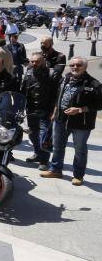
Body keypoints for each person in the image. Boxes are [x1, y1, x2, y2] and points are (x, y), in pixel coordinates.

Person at [41, 57, 102, 186]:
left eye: (78, 65)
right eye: (72, 65)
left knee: (79, 150)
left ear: (85, 67)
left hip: (81, 123)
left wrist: (79, 109)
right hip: (61, 119)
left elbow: (99, 104)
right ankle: (56, 170)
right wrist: (55, 111)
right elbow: (59, 95)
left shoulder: (93, 84)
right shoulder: (66, 78)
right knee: (58, 146)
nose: (75, 67)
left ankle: (78, 175)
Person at [21, 52, 55, 171]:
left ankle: (44, 160)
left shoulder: (51, 74)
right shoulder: (28, 72)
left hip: (45, 111)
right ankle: (37, 153)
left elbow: (57, 94)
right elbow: (23, 89)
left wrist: (53, 110)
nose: (34, 63)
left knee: (43, 137)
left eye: (37, 61)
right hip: (31, 110)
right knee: (32, 135)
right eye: (32, 61)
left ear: (43, 61)